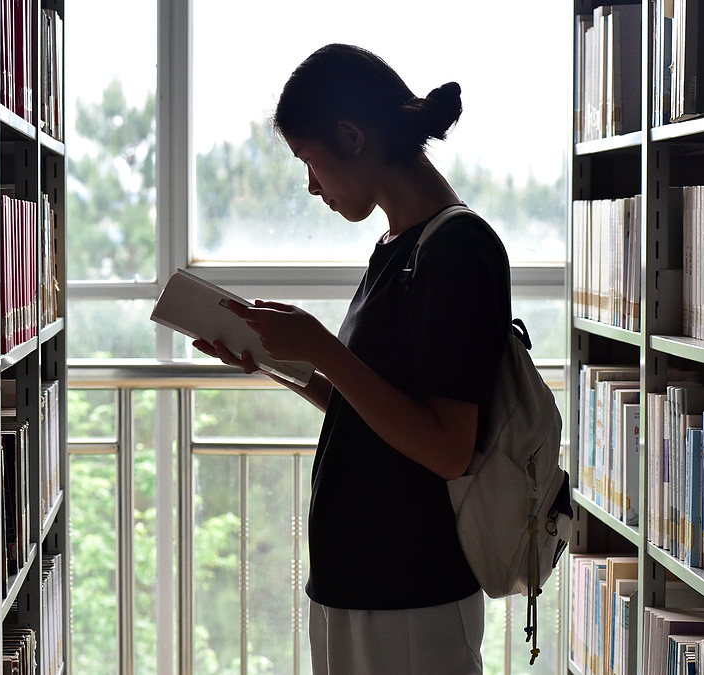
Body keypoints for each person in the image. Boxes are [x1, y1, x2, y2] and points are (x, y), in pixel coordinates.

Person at [193, 43, 511, 675]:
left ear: (351, 136)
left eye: (309, 161)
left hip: (411, 595)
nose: (311, 186)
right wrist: (278, 360)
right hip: (358, 589)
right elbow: (374, 409)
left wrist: (325, 352)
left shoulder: (459, 249)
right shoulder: (396, 246)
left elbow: (449, 448)